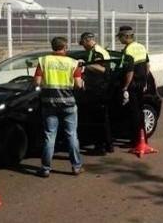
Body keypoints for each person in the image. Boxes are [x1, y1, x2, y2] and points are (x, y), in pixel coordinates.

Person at [34, 37, 84, 178]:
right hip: (68, 104)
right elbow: (79, 85)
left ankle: (45, 168)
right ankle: (76, 167)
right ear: (65, 47)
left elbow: (37, 82)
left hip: (49, 104)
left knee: (50, 136)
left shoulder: (44, 61)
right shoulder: (73, 63)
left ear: (52, 47)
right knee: (72, 135)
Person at [79, 32, 114, 154]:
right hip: (94, 88)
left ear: (88, 40)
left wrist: (86, 66)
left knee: (98, 119)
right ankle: (108, 145)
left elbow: (104, 69)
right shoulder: (91, 51)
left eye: (83, 43)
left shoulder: (99, 52)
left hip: (99, 89)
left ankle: (100, 147)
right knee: (101, 118)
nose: (82, 46)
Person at [118, 26, 150, 147]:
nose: (119, 40)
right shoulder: (141, 46)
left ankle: (135, 140)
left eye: (120, 37)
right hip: (141, 83)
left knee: (134, 113)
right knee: (140, 111)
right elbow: (147, 66)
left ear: (126, 36)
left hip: (133, 85)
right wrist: (145, 81)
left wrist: (125, 87)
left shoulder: (128, 50)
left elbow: (129, 71)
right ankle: (143, 138)